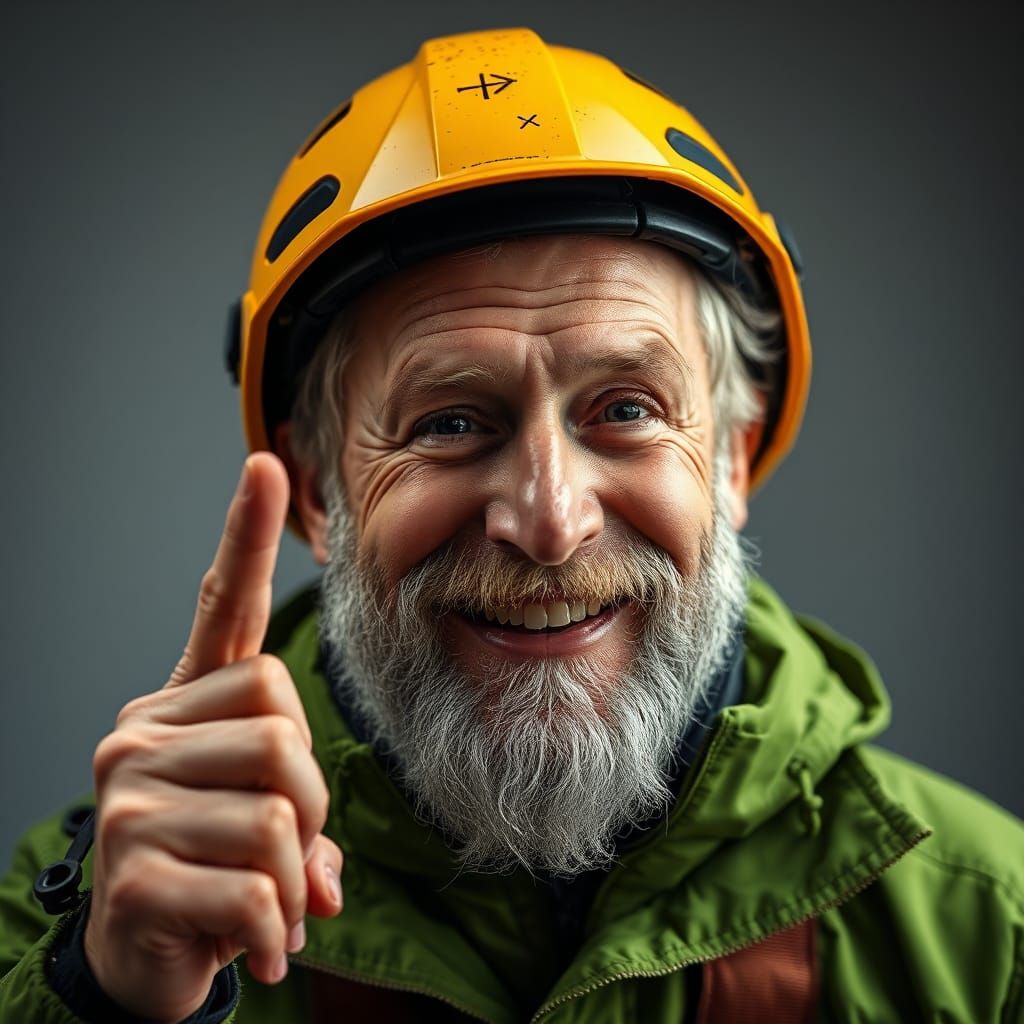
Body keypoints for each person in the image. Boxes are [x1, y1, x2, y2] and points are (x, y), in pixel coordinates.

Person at [1, 26, 1021, 1024]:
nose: (548, 521)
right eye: (449, 423)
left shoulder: (991, 929)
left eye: (626, 409)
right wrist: (109, 1001)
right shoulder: (85, 929)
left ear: (730, 459)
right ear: (319, 493)